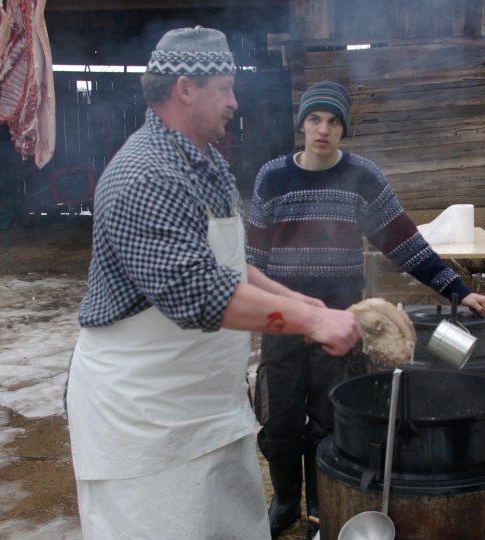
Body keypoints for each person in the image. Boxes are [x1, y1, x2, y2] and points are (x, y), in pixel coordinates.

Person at [65, 28, 363, 539]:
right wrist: (312, 319)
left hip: (206, 406)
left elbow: (226, 263)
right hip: (145, 416)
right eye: (224, 88)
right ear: (186, 89)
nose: (233, 101)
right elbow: (198, 291)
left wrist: (289, 298)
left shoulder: (205, 163)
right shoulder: (145, 174)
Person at [247, 80, 485, 538]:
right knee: (279, 421)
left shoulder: (362, 177)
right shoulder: (271, 178)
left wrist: (455, 288)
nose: (323, 130)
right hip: (281, 321)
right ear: (302, 125)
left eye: (334, 121)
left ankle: (320, 505)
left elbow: (404, 242)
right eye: (315, 119)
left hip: (342, 323)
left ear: (344, 129)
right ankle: (284, 503)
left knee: (328, 419)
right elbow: (253, 259)